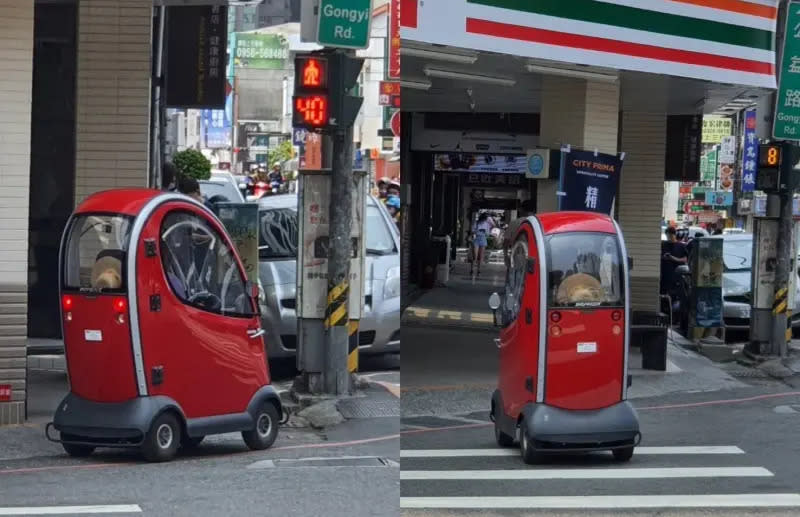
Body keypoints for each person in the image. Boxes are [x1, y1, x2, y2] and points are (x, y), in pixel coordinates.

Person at [660, 226, 688, 295]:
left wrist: (673, 258)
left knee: (675, 295)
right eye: (667, 236)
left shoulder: (681, 246)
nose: (669, 238)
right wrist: (664, 257)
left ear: (674, 235)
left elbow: (685, 259)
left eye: (670, 236)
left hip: (676, 276)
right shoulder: (663, 244)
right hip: (664, 276)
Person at [471, 212, 494, 277]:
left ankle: (479, 270)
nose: (487, 219)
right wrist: (478, 231)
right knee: (475, 256)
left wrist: (487, 229)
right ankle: (472, 269)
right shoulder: (477, 222)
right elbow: (472, 231)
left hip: (483, 239)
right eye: (486, 218)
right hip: (477, 239)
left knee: (480, 256)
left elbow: (488, 232)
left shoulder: (487, 224)